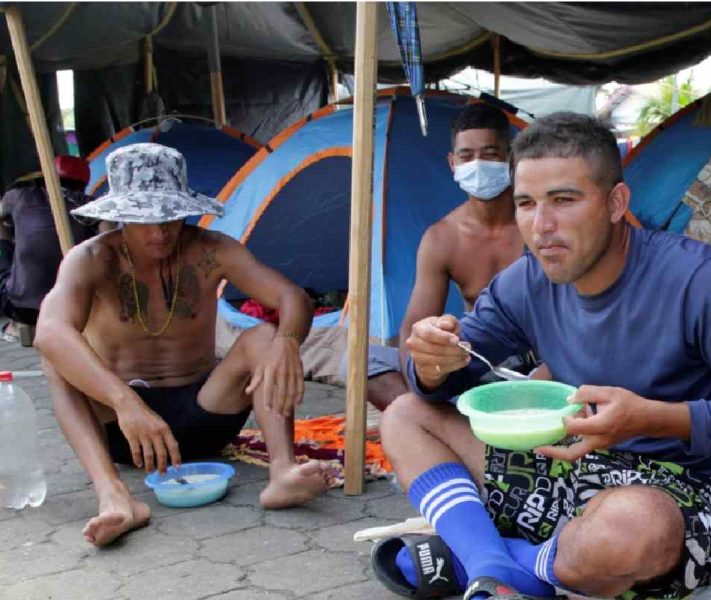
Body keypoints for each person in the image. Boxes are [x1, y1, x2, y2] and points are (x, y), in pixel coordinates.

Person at [374, 113, 711, 599]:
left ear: (616, 203)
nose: (541, 226)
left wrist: (652, 418)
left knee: (629, 529)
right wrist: (431, 364)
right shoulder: (526, 282)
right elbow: (449, 373)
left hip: (687, 495)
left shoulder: (698, 280)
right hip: (571, 469)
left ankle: (476, 555)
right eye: (526, 204)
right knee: (406, 414)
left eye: (564, 200)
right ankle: (494, 564)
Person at [35, 143, 331, 547]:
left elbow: (291, 297)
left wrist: (288, 342)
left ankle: (282, 472)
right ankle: (115, 497)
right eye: (145, 220)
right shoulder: (93, 258)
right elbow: (49, 332)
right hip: (124, 430)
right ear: (120, 215)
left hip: (205, 413)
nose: (160, 232)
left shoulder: (211, 249)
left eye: (170, 216)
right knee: (57, 360)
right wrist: (126, 403)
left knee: (265, 337)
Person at [359, 103, 530, 411]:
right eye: (466, 156)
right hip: (476, 358)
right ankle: (434, 417)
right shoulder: (442, 237)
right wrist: (422, 381)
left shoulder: (536, 224)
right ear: (453, 163)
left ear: (512, 158)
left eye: (490, 154)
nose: (478, 165)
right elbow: (414, 327)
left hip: (537, 360)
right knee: (362, 359)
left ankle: (442, 422)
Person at [0, 156, 100, 338]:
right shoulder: (89, 204)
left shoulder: (20, 196)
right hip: (76, 305)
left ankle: (14, 327)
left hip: (21, 309)